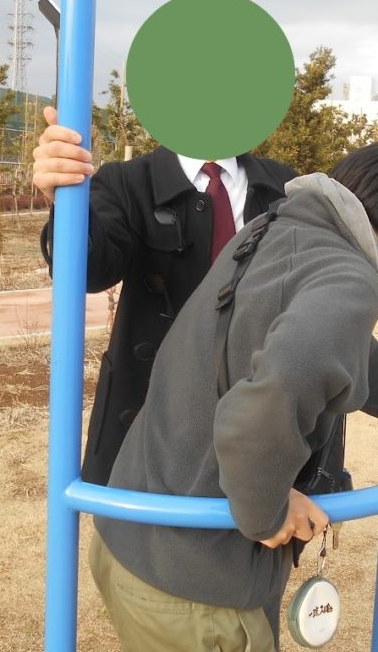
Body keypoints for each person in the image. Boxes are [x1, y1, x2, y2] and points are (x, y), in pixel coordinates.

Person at [89, 139, 378, 652]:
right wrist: (268, 509)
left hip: (132, 533)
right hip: (197, 589)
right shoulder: (349, 275)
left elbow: (339, 348)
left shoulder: (274, 227)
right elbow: (263, 410)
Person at [33, 107, 296, 484]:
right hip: (147, 418)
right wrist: (67, 202)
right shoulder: (126, 182)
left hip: (258, 419)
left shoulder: (285, 186)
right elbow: (89, 271)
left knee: (255, 514)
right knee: (135, 520)